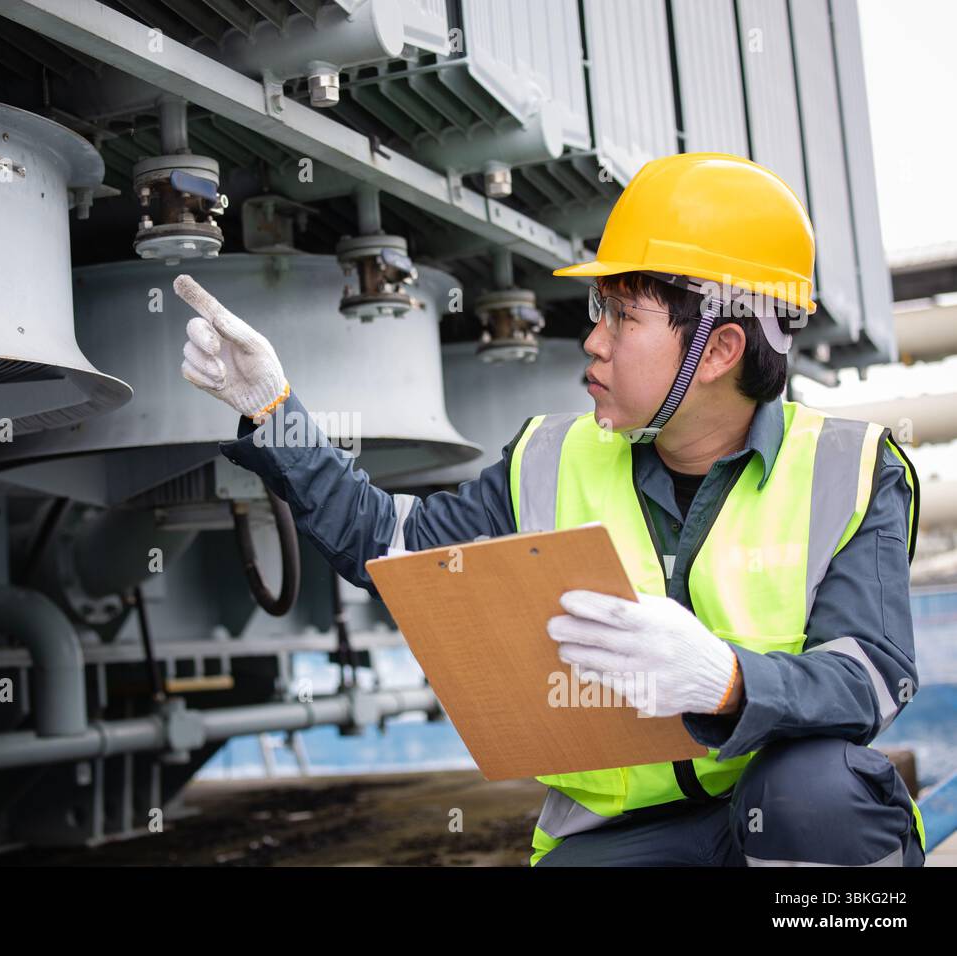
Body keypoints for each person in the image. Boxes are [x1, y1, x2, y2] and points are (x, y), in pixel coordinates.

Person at [173, 152, 925, 867]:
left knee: (818, 797)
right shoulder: (547, 460)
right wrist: (276, 412)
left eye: (624, 317)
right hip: (615, 841)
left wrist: (728, 681)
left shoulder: (850, 471)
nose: (592, 342)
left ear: (721, 348)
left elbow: (870, 677)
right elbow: (392, 544)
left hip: (774, 820)